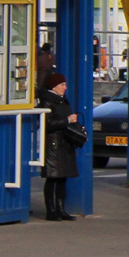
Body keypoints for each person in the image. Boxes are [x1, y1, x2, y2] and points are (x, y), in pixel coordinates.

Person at [38, 73, 79, 221]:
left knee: (62, 178)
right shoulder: (47, 102)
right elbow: (47, 123)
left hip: (64, 142)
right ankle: (51, 211)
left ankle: (61, 210)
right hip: (53, 144)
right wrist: (67, 120)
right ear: (54, 87)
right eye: (62, 85)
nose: (65, 87)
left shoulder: (62, 100)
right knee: (52, 178)